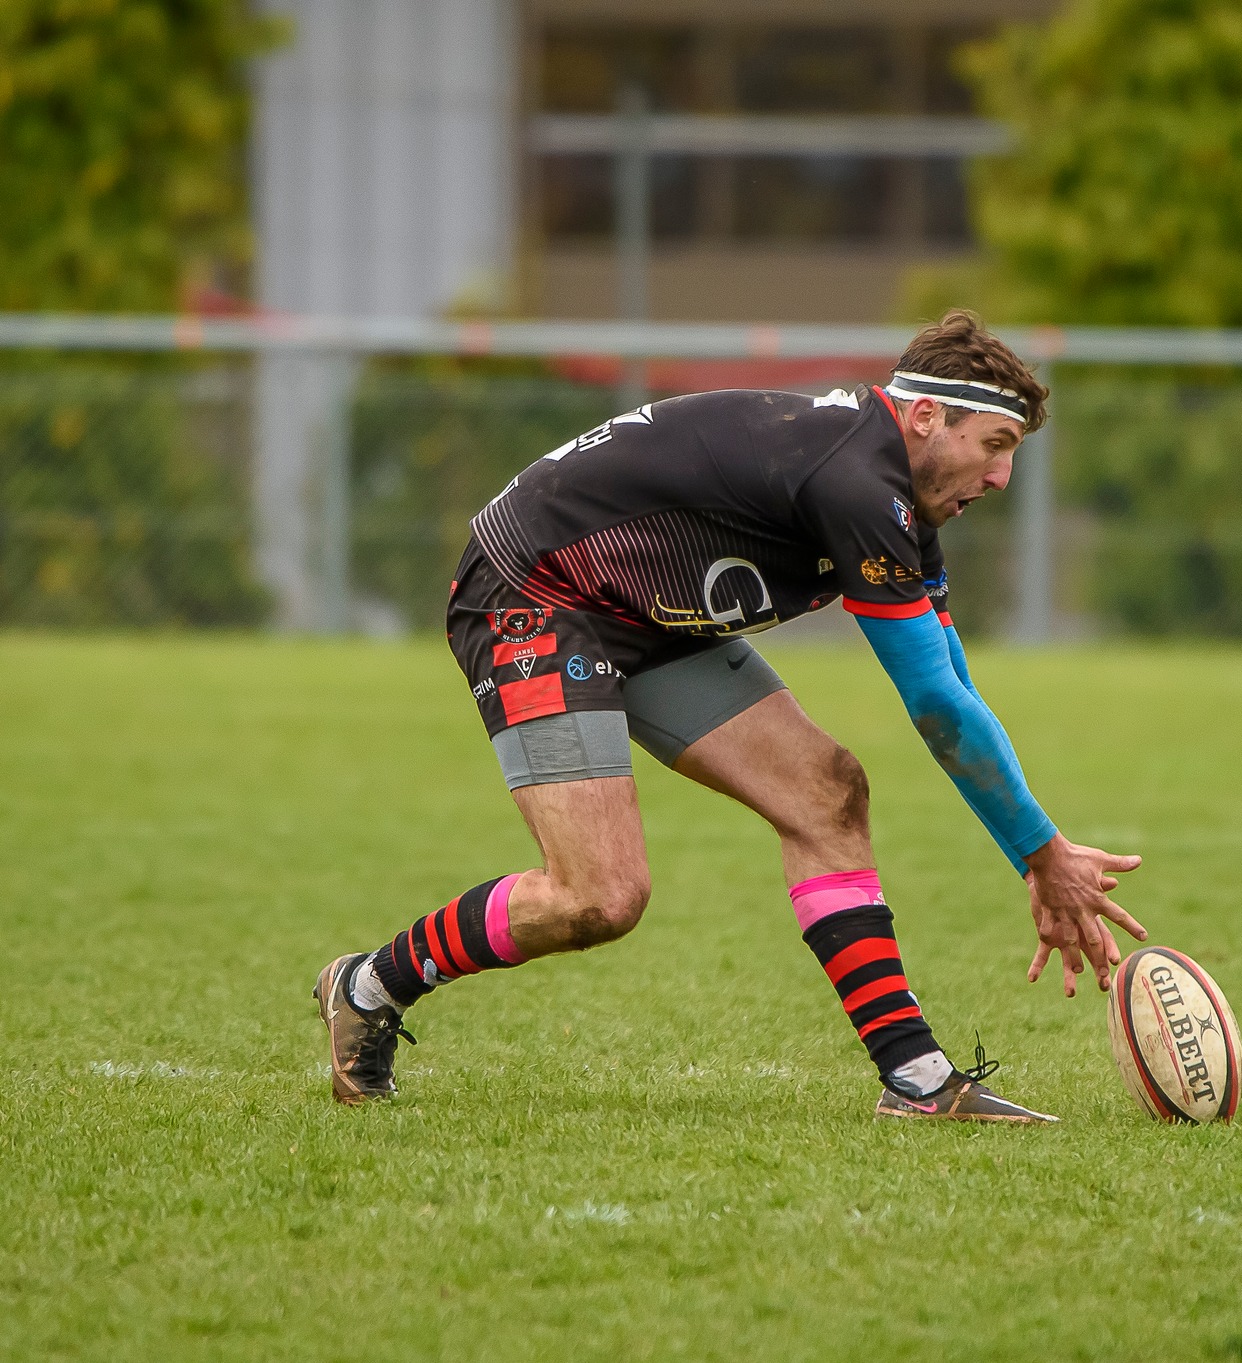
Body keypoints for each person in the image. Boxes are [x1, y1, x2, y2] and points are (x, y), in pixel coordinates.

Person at [314, 310, 1146, 1122]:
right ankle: (367, 985)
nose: (1002, 477)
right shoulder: (858, 480)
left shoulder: (898, 499)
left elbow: (954, 686)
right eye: (995, 446)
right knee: (600, 896)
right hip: (535, 588)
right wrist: (1044, 853)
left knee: (828, 792)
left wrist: (1034, 859)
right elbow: (935, 710)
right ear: (926, 416)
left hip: (643, 611)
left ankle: (917, 1077)